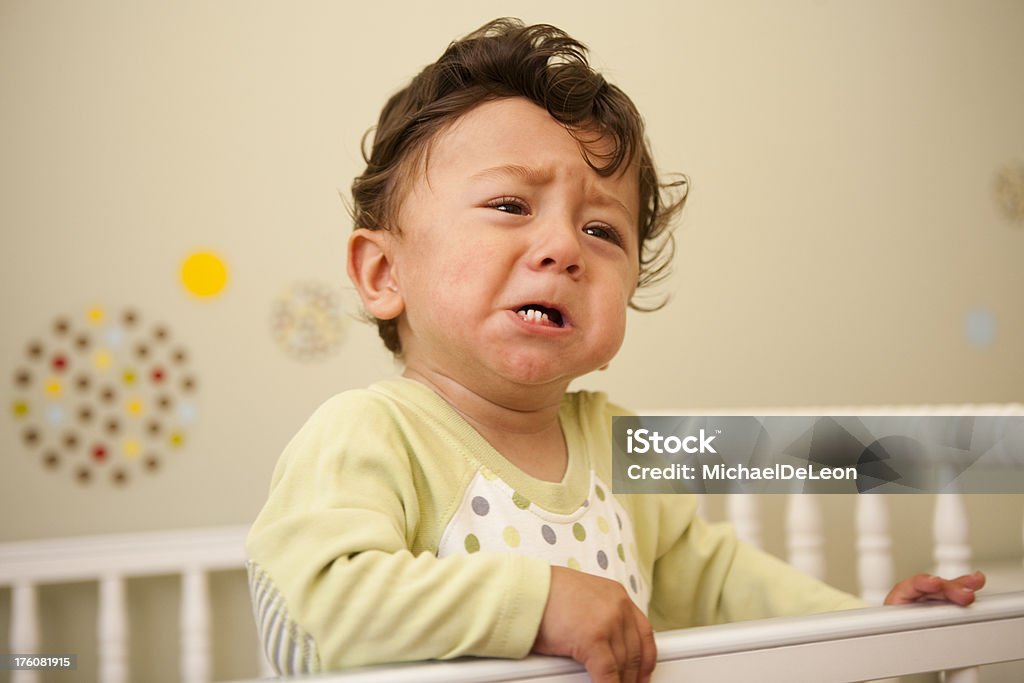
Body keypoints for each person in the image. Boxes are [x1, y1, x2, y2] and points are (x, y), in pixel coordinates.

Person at [246, 18, 985, 682]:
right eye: (510, 205)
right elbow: (315, 607)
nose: (564, 246)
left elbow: (723, 581)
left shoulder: (617, 446)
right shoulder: (369, 434)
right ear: (384, 273)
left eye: (603, 230)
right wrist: (535, 604)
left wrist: (866, 626)